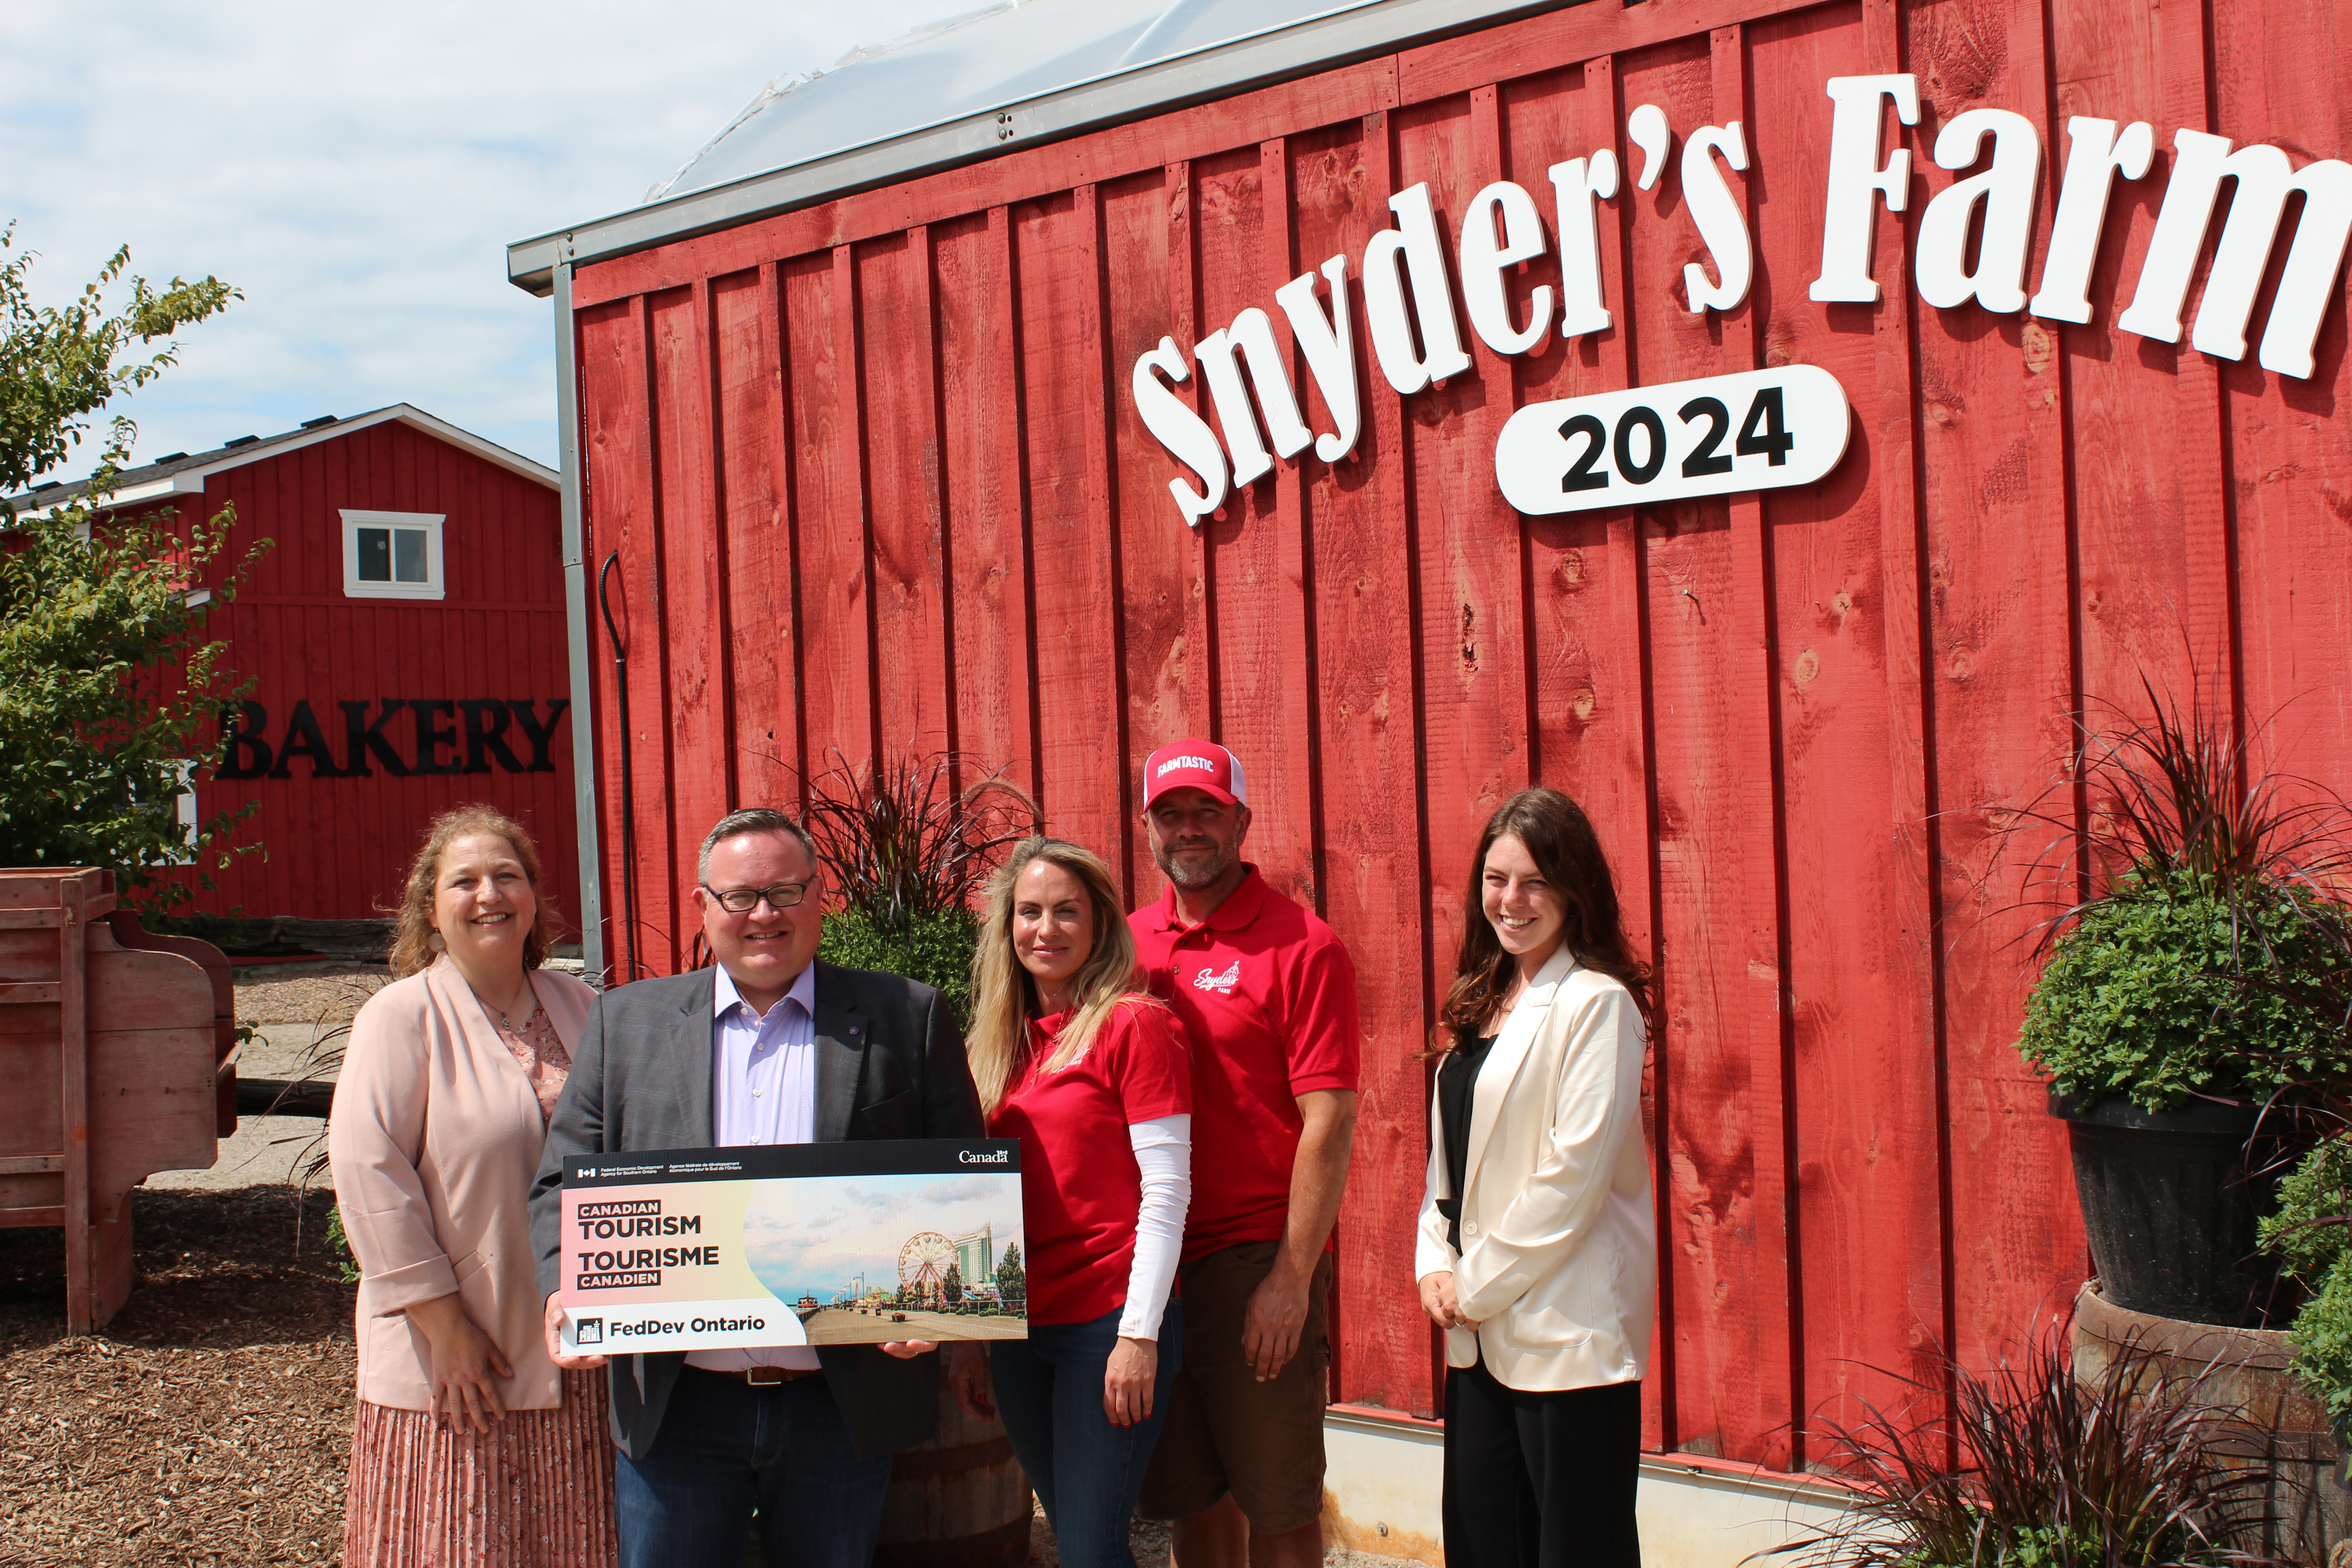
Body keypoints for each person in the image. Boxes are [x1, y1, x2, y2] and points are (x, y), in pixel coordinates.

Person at [527, 806, 988, 1568]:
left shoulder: (907, 1015)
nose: (764, 914)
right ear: (704, 906)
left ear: (819, 898)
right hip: (679, 1404)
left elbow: (958, 1179)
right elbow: (558, 1181)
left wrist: (941, 1311)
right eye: (740, 896)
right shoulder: (625, 1024)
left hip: (840, 1403)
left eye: (786, 891)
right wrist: (560, 1288)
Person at [329, 805, 615, 1568]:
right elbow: (369, 1176)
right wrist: (445, 1327)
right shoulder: (399, 1018)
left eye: (507, 876)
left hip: (577, 1355)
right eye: (465, 881)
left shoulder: (584, 1007)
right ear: (432, 909)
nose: (489, 894)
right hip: (462, 1360)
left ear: (533, 897)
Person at [1128, 740, 1360, 1568]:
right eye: (1170, 814)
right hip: (1157, 1264)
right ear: (1147, 825)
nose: (1188, 829)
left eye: (1207, 813)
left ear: (1241, 822)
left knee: (1281, 1503)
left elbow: (1329, 1122)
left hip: (1253, 1260)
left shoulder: (1302, 945)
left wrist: (1291, 1283)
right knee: (1192, 1499)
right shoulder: (1125, 946)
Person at [1415, 788, 1656, 1568]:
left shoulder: (1598, 1005)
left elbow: (1571, 1180)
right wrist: (1432, 1264)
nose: (1510, 901)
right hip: (1478, 1342)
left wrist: (1471, 1287)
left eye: (1533, 881)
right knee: (1485, 1549)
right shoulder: (1481, 1002)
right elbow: (1448, 1170)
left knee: (1574, 1553)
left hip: (1564, 1338)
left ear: (1573, 889)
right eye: (1495, 878)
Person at [970, 837, 1194, 1568]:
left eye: (1067, 912)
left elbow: (1166, 1191)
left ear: (1099, 924)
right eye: (1030, 912)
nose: (1047, 929)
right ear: (1008, 928)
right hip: (1021, 1325)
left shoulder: (1135, 1025)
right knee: (1076, 1538)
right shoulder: (997, 1046)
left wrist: (1139, 1336)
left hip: (1106, 1323)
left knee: (1095, 1549)